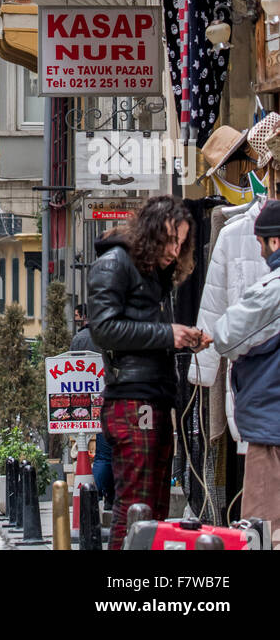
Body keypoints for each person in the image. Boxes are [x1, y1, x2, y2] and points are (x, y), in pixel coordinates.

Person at [87, 196, 208, 550]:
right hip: (132, 398)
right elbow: (104, 330)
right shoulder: (115, 263)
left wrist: (182, 338)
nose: (175, 249)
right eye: (171, 239)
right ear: (153, 233)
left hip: (150, 396)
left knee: (151, 506)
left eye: (182, 242)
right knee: (135, 506)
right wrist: (169, 334)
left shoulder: (154, 273)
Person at [212, 199, 280, 549]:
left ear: (275, 242)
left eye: (261, 243)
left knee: (264, 530)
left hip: (272, 426)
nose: (260, 251)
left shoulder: (274, 290)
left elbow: (227, 335)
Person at [69, 315, 114, 509]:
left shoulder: (80, 338)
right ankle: (109, 498)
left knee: (103, 456)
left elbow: (70, 369)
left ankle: (93, 497)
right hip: (118, 397)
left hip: (88, 402)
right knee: (116, 455)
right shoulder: (116, 332)